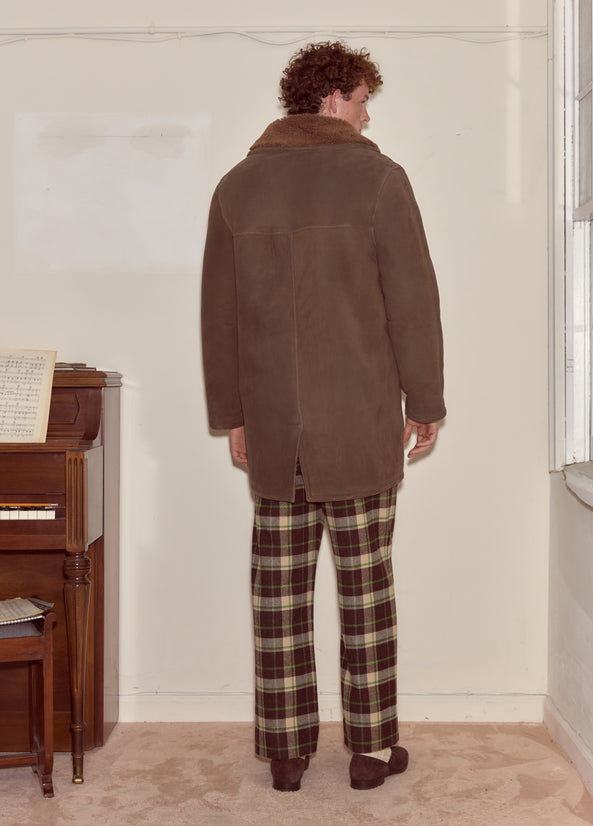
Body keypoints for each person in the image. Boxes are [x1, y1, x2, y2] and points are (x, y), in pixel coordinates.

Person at [201, 40, 445, 792]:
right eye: (365, 100)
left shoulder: (238, 186)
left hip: (275, 429)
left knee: (278, 595)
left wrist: (233, 415)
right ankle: (370, 750)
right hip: (360, 420)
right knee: (366, 590)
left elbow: (219, 319)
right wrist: (426, 400)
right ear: (335, 96)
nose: (369, 117)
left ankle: (287, 752)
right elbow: (413, 302)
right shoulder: (377, 178)